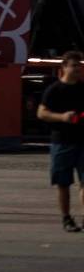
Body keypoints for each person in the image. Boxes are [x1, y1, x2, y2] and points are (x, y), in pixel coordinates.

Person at [39, 50, 84, 233]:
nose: (78, 69)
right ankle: (66, 218)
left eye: (79, 66)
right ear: (64, 67)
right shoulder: (54, 90)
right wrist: (62, 117)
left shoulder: (83, 88)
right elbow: (41, 113)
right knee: (63, 183)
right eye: (74, 65)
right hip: (62, 142)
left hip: (83, 141)